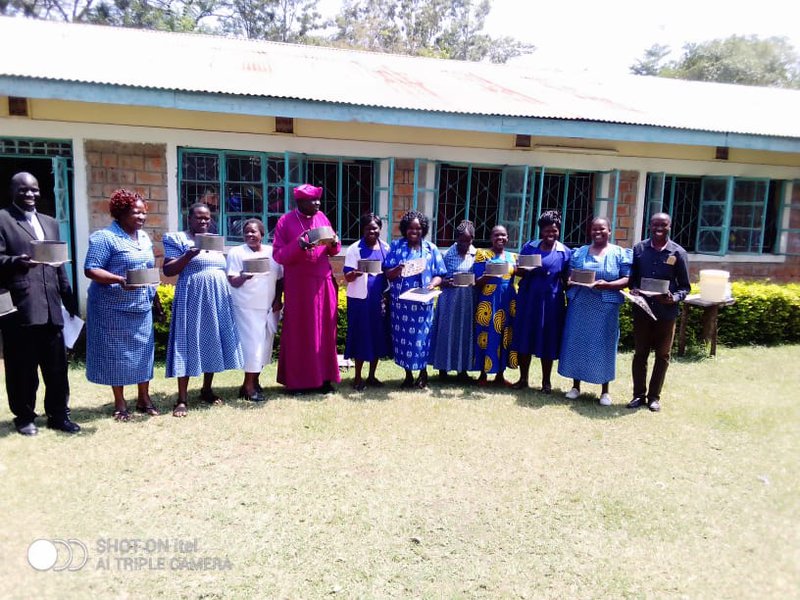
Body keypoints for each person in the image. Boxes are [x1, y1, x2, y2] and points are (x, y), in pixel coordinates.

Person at [0, 172, 80, 435]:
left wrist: (69, 303)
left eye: (34, 190)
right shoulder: (3, 219)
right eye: (23, 190)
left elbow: (59, 266)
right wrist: (17, 261)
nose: (30, 194)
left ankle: (59, 415)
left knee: (56, 367)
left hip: (51, 305)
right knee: (22, 367)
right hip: (20, 306)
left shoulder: (51, 223)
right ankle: (24, 417)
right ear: (13, 191)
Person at [84, 189, 160, 421]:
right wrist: (119, 280)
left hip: (140, 306)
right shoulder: (104, 237)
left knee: (144, 353)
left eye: (143, 213)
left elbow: (148, 270)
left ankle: (144, 398)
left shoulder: (144, 237)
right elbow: (91, 268)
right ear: (121, 213)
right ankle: (120, 402)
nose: (141, 217)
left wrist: (155, 298)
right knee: (115, 355)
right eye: (136, 212)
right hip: (111, 307)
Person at [163, 203, 243, 416]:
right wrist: (189, 255)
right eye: (199, 218)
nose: (204, 221)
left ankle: (207, 389)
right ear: (189, 218)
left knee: (212, 339)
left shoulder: (215, 240)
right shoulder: (178, 239)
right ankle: (182, 399)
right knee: (186, 341)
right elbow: (168, 269)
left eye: (207, 218)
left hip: (216, 298)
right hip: (192, 297)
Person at [272, 184, 341, 394]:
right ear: (300, 202)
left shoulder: (322, 218)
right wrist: (299, 245)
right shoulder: (285, 221)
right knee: (300, 332)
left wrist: (334, 242)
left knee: (325, 331)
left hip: (322, 282)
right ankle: (297, 382)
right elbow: (279, 255)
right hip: (298, 285)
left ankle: (324, 380)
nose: (318, 204)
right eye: (313, 200)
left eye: (319, 200)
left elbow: (334, 250)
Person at [558, 216, 631, 406]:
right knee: (578, 342)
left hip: (605, 306)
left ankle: (605, 391)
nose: (597, 233)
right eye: (594, 229)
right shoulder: (580, 252)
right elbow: (569, 276)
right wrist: (572, 280)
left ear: (609, 231)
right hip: (580, 304)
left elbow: (627, 279)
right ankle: (575, 386)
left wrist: (608, 285)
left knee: (604, 345)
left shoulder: (619, 253)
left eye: (602, 229)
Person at [628, 212, 691, 412]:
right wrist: (634, 289)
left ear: (669, 227)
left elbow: (685, 287)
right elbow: (633, 279)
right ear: (650, 226)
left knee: (663, 355)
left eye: (663, 225)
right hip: (643, 311)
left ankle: (654, 397)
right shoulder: (639, 249)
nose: (659, 229)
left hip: (666, 313)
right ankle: (638, 395)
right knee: (640, 354)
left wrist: (674, 297)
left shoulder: (678, 253)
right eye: (655, 225)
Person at [384, 210, 446, 389]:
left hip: (423, 304)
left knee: (422, 338)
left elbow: (440, 274)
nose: (414, 231)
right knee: (403, 339)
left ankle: (423, 374)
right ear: (405, 229)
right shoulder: (396, 247)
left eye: (418, 228)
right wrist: (398, 268)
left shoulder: (431, 249)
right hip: (401, 304)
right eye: (411, 228)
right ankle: (408, 375)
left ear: (423, 230)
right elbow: (387, 273)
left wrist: (432, 285)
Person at [512, 211, 571, 392]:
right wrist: (521, 268)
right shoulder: (530, 247)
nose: (550, 235)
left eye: (554, 231)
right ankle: (523, 379)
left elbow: (566, 280)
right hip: (529, 299)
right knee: (525, 336)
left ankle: (546, 382)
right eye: (546, 231)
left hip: (552, 302)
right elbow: (519, 271)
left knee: (548, 339)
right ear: (540, 231)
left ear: (558, 231)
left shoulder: (565, 253)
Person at [227, 218, 284, 402]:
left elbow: (280, 279)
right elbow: (232, 281)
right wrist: (244, 276)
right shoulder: (236, 253)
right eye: (247, 232)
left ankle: (253, 382)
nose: (250, 235)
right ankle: (249, 387)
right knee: (253, 347)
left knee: (265, 346)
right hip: (246, 307)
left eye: (254, 232)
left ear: (262, 234)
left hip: (268, 307)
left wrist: (278, 299)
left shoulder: (272, 253)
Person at [343, 213, 392, 391]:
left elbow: (388, 273)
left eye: (375, 228)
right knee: (360, 336)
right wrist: (358, 271)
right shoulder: (354, 249)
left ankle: (371, 376)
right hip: (360, 301)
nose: (372, 231)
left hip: (379, 300)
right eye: (368, 228)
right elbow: (347, 277)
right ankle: (357, 378)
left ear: (380, 229)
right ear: (363, 229)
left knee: (376, 337)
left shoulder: (386, 248)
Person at [430, 220, 477, 383]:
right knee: (447, 332)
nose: (465, 243)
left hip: (468, 301)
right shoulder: (449, 254)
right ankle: (443, 368)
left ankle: (462, 370)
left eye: (468, 240)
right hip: (450, 299)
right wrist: (445, 282)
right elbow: (439, 275)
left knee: (465, 333)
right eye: (462, 240)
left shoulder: (475, 254)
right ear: (456, 239)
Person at [473, 225, 518, 387]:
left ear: (507, 238)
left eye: (503, 235)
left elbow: (520, 274)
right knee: (486, 335)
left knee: (505, 336)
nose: (500, 238)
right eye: (497, 235)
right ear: (491, 238)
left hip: (507, 301)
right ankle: (483, 374)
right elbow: (476, 282)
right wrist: (488, 274)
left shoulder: (513, 257)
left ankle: (500, 375)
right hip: (489, 302)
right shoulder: (482, 255)